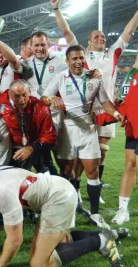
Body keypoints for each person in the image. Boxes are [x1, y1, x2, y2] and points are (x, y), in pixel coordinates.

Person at [0, 167, 123, 267]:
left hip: (58, 197)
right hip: (54, 190)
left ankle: (100, 241)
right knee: (62, 243)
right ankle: (110, 235)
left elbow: (15, 240)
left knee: (40, 263)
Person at [50, 0, 138, 188]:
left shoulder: (113, 53)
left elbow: (129, 31)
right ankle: (78, 183)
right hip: (85, 110)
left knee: (103, 150)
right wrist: (56, 9)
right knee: (85, 152)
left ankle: (96, 182)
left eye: (103, 37)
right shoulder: (81, 55)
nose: (101, 38)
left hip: (107, 109)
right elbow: (66, 32)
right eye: (96, 37)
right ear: (89, 42)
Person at [41, 45, 125, 229]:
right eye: (74, 59)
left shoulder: (94, 79)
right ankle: (68, 212)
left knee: (93, 172)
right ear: (67, 61)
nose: (78, 62)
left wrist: (117, 114)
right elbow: (44, 97)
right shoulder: (60, 78)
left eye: (81, 58)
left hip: (88, 130)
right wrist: (52, 100)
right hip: (66, 132)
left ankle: (95, 213)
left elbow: (105, 102)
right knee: (66, 173)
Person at [0, 79, 57, 174]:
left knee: (50, 176)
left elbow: (49, 136)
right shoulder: (1, 101)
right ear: (9, 94)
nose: (21, 100)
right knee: (15, 181)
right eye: (17, 96)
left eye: (24, 95)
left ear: (29, 91)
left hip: (36, 147)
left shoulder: (41, 108)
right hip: (14, 149)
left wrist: (31, 148)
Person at [112, 56, 138, 224]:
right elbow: (130, 101)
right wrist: (123, 112)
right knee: (130, 165)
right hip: (133, 127)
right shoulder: (134, 75)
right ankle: (123, 210)